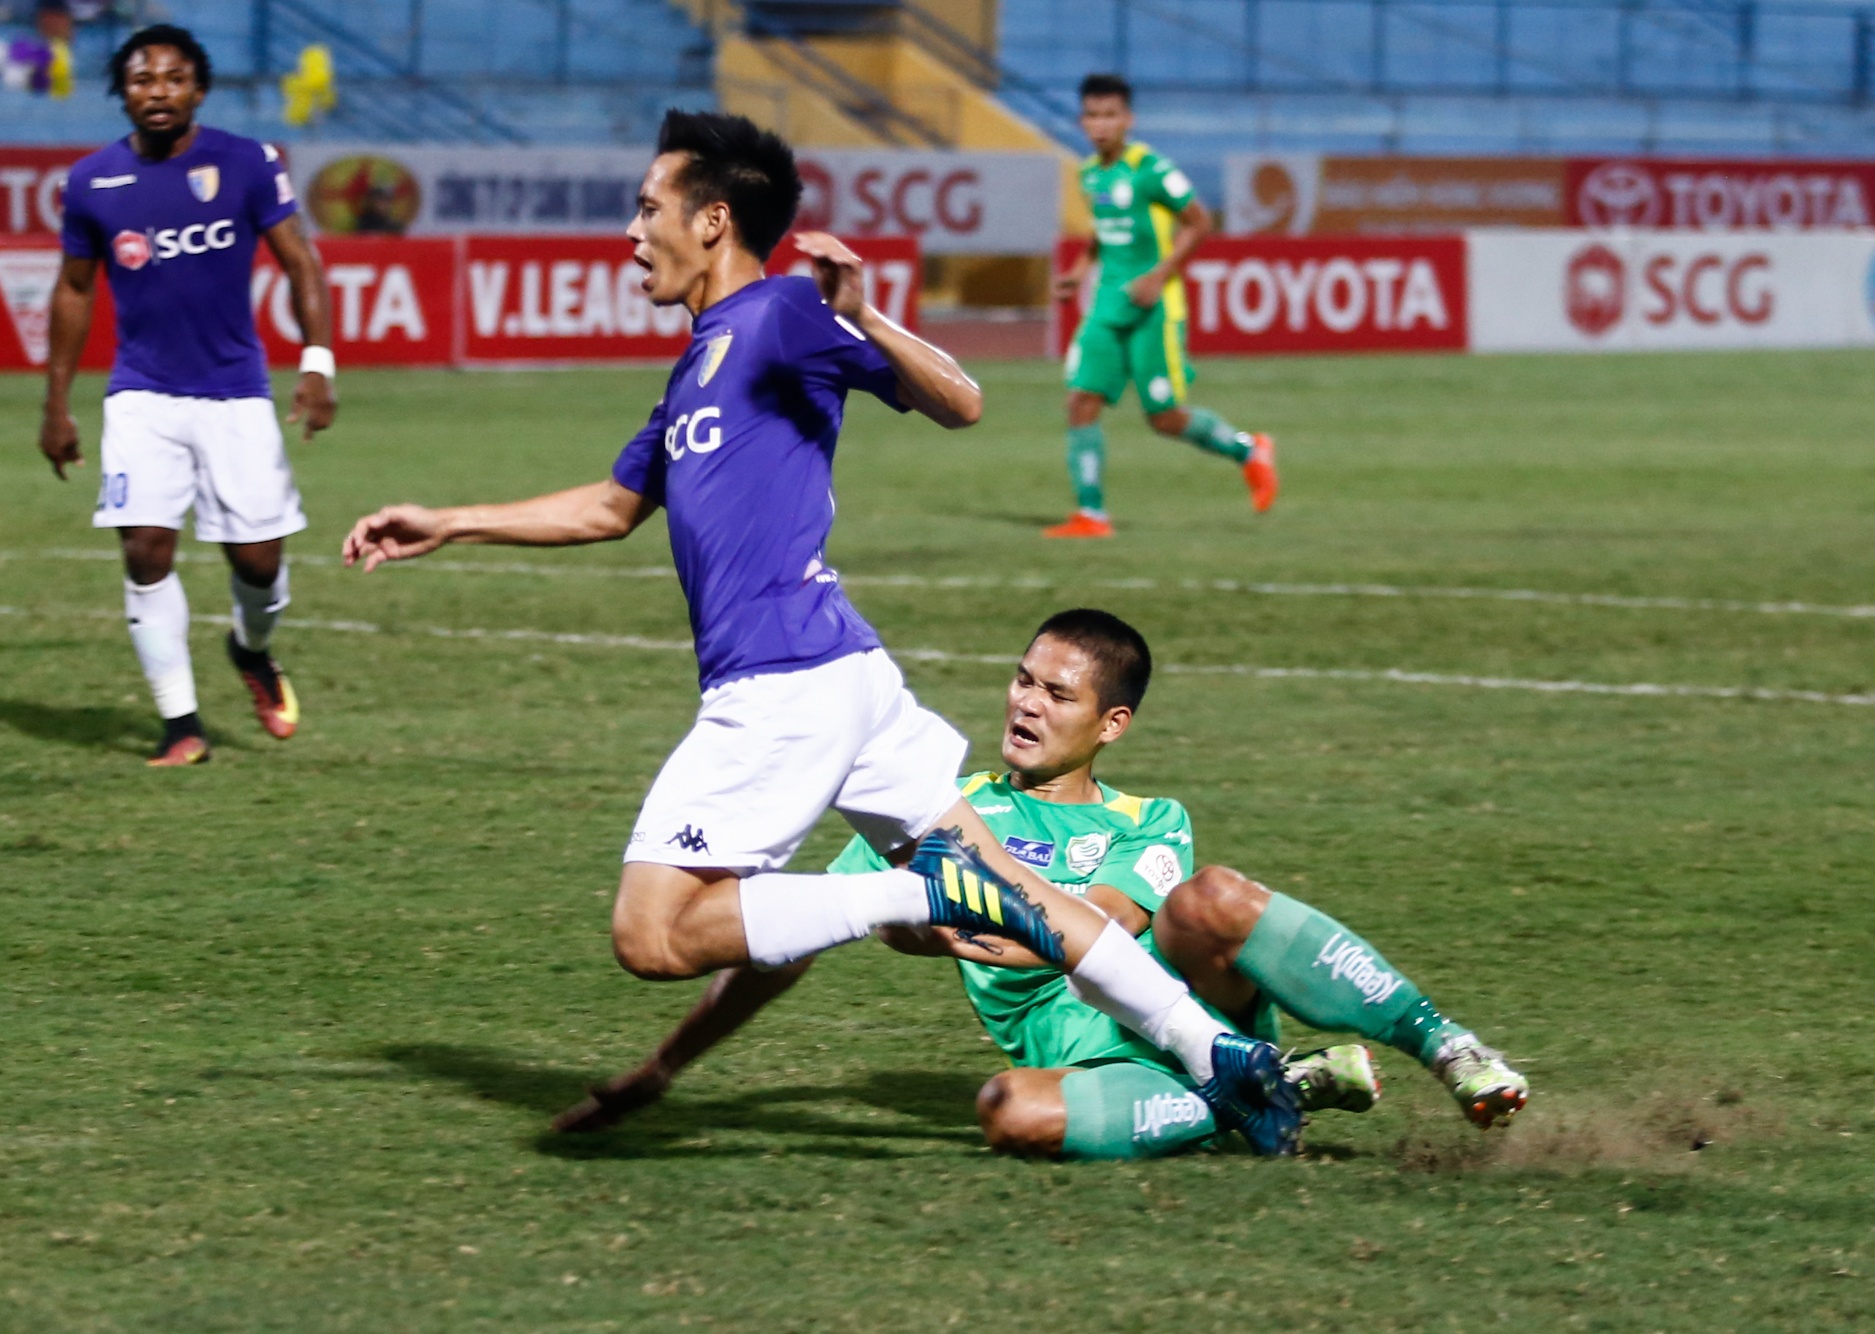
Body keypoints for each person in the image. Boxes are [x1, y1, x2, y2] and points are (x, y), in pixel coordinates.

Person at [341, 111, 1301, 1153]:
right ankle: (1218, 1055)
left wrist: (866, 314)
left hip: (784, 680)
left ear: (712, 220)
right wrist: (450, 520)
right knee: (1024, 897)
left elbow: (961, 400)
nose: (630, 230)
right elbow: (612, 508)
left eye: (646, 206)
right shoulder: (699, 360)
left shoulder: (782, 313)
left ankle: (907, 886)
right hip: (843, 672)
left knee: (652, 932)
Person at [555, 609, 1530, 1161]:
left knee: (1212, 898)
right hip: (1093, 1064)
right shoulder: (940, 812)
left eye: (1055, 693)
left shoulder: (1147, 819)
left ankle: (1446, 1047)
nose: (1024, 702)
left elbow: (1093, 925)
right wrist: (666, 1066)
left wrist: (942, 917)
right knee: (1006, 1115)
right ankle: (1275, 1087)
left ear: (1109, 722)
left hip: (1184, 1008)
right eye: (1022, 678)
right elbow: (788, 938)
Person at [39, 24, 337, 766]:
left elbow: (301, 263)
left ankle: (251, 648)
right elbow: (75, 291)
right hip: (141, 397)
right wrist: (55, 402)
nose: (158, 91)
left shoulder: (247, 162)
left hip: (235, 394)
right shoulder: (91, 182)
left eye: (173, 78)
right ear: (124, 93)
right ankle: (181, 726)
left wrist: (317, 363)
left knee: (259, 564)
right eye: (143, 79)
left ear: (197, 89)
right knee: (144, 550)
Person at [1045, 72, 1278, 540]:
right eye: (1092, 115)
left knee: (1164, 417)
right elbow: (1103, 228)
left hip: (1154, 309)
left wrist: (1159, 275)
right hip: (1108, 306)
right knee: (1081, 401)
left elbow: (1199, 221)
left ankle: (1248, 449)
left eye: (1110, 115)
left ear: (1128, 119)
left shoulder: (1152, 169)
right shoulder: (1091, 172)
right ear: (1082, 120)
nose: (1100, 125)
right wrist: (1079, 269)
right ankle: (1092, 515)